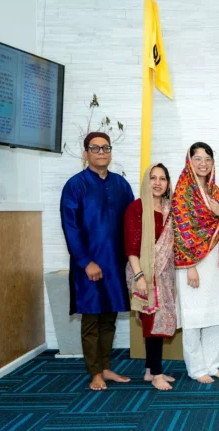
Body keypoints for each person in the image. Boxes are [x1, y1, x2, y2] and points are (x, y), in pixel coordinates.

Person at [60, 132, 134, 391]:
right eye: (95, 148)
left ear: (111, 152)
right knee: (91, 320)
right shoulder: (75, 185)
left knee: (109, 319)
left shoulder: (121, 185)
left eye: (106, 148)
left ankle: (105, 367)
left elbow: (131, 223)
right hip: (88, 266)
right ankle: (95, 374)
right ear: (85, 153)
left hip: (115, 264)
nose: (101, 152)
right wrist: (85, 262)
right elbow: (70, 228)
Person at [173, 143, 219, 384]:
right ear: (189, 161)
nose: (203, 163)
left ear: (213, 162)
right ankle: (196, 368)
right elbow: (180, 231)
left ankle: (213, 365)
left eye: (207, 158)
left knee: (217, 315)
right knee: (193, 318)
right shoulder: (182, 192)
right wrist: (189, 266)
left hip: (215, 262)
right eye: (197, 158)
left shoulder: (216, 193)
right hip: (191, 265)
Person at [124, 163, 178, 390]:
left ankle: (149, 370)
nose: (157, 183)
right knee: (151, 322)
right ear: (146, 182)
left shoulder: (170, 208)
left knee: (155, 321)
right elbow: (131, 247)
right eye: (153, 178)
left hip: (165, 274)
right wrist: (139, 276)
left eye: (162, 179)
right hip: (143, 272)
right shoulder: (137, 208)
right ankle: (156, 373)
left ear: (167, 183)